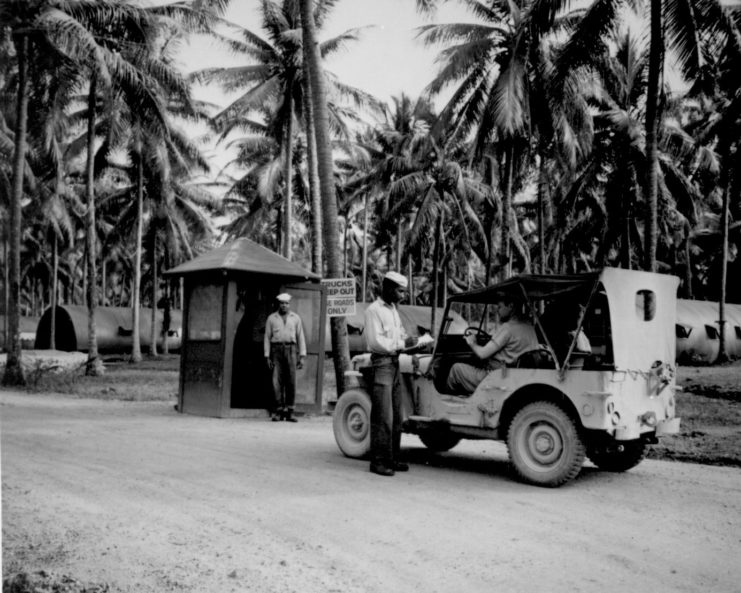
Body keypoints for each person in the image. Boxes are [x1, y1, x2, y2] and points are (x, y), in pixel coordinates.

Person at [364, 271, 420, 477]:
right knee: (383, 416)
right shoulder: (374, 311)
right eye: (400, 291)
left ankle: (392, 458)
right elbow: (376, 341)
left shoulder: (394, 311)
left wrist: (412, 341)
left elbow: (400, 336)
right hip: (382, 364)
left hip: (395, 363)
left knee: (396, 416)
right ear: (387, 288)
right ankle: (378, 462)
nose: (403, 295)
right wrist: (402, 343)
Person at [446, 294, 538, 394]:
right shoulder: (529, 326)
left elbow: (482, 354)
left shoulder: (507, 328)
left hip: (495, 377)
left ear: (511, 306)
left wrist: (472, 342)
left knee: (456, 369)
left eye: (500, 307)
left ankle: (451, 404)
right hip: (517, 376)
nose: (497, 311)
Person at [264, 293, 306, 422]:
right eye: (282, 303)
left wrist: (302, 355)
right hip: (276, 350)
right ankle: (278, 411)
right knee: (276, 381)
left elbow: (300, 336)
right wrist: (267, 356)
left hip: (291, 349)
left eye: (286, 303)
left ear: (289, 304)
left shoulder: (295, 318)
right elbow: (266, 337)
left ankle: (290, 412)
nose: (284, 305)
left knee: (291, 380)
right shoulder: (272, 318)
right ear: (279, 304)